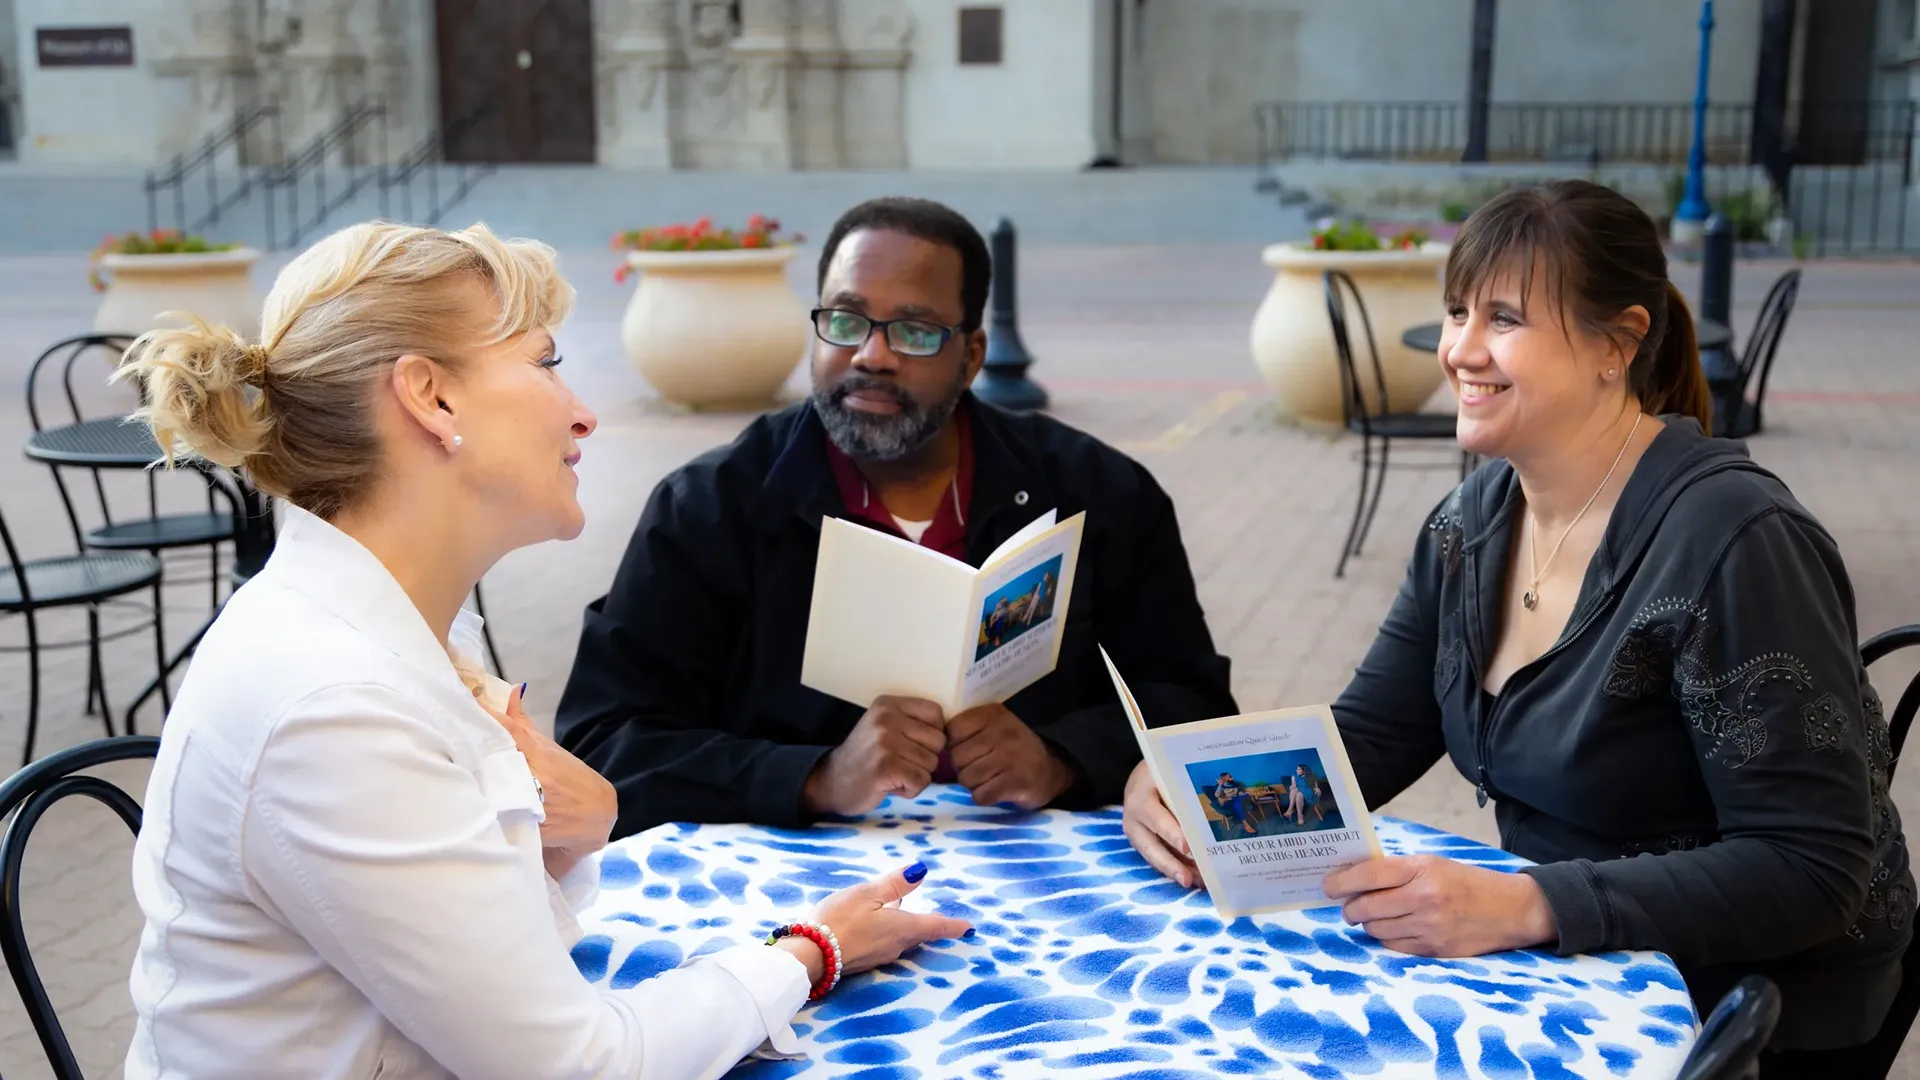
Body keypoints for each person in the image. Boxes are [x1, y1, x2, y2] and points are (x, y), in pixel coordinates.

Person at [118, 221, 969, 1079]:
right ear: (431, 398)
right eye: (546, 362)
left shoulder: (394, 629)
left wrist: (567, 840)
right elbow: (579, 1064)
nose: (584, 411)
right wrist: (809, 952)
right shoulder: (336, 701)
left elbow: (486, 968)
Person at [1119, 180, 1911, 1071]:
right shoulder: (1474, 520)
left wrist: (1528, 906)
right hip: (1572, 969)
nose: (1459, 349)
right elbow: (1373, 735)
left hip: (1747, 1010)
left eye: (1503, 318)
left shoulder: (1732, 542)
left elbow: (1812, 869)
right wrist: (1194, 787)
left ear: (1620, 342)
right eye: (1458, 311)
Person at [557, 196, 1236, 837]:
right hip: (793, 892)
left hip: (1048, 876)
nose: (870, 355)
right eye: (846, 320)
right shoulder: (712, 506)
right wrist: (815, 777)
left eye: (913, 331)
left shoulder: (1100, 493)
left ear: (971, 356)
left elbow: (1195, 709)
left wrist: (1062, 758)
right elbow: (604, 742)